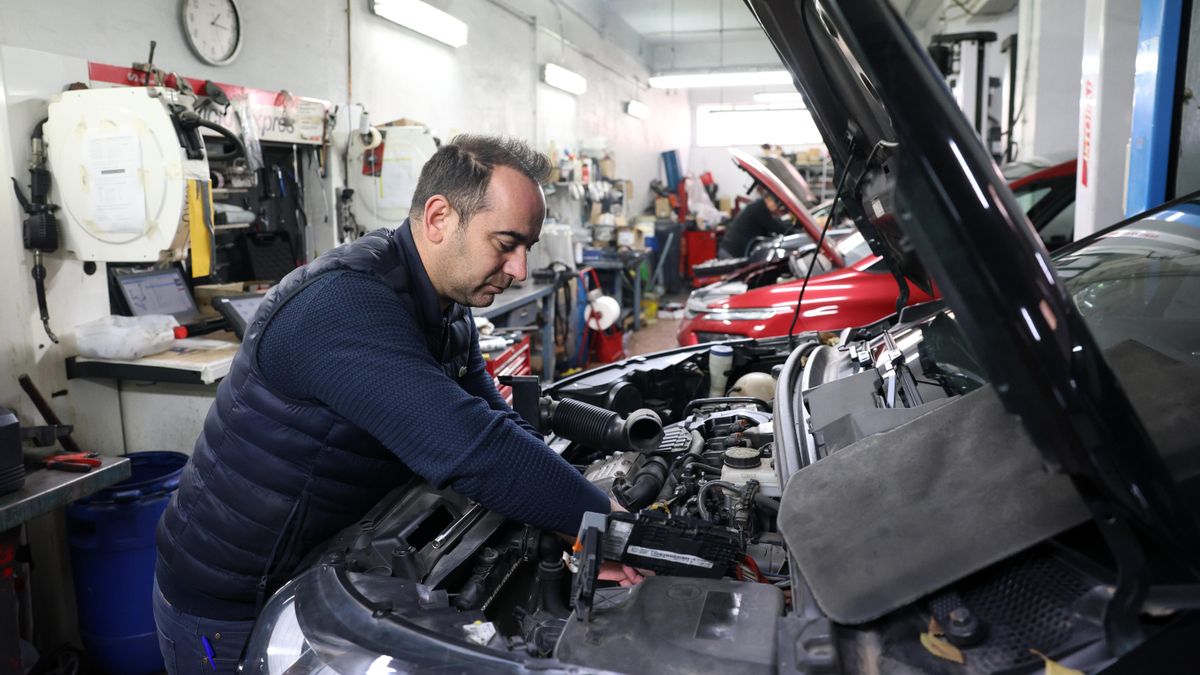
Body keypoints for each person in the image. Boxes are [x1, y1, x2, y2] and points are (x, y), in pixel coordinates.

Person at [152, 135, 620, 674]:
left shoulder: (444, 306)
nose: (518, 268)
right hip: (233, 596)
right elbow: (469, 446)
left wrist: (565, 500)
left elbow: (492, 417)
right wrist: (602, 521)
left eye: (527, 248)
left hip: (322, 566)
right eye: (506, 243)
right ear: (440, 217)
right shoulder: (343, 303)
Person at [718, 189, 792, 259]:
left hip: (731, 250)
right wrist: (798, 233)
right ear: (770, 200)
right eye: (778, 204)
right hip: (732, 253)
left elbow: (775, 225)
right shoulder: (760, 209)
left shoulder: (758, 206)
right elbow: (777, 228)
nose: (778, 208)